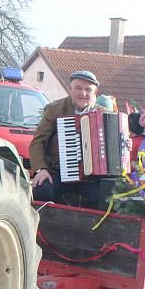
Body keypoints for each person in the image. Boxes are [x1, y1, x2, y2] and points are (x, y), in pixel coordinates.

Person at [28, 70, 111, 203]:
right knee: (41, 189)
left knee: (111, 196)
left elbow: (114, 145)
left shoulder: (105, 115)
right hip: (57, 172)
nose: (83, 93)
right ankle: (44, 223)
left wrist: (124, 144)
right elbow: (37, 142)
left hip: (91, 178)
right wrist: (41, 169)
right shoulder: (55, 110)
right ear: (70, 89)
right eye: (78, 88)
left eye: (88, 90)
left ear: (95, 93)